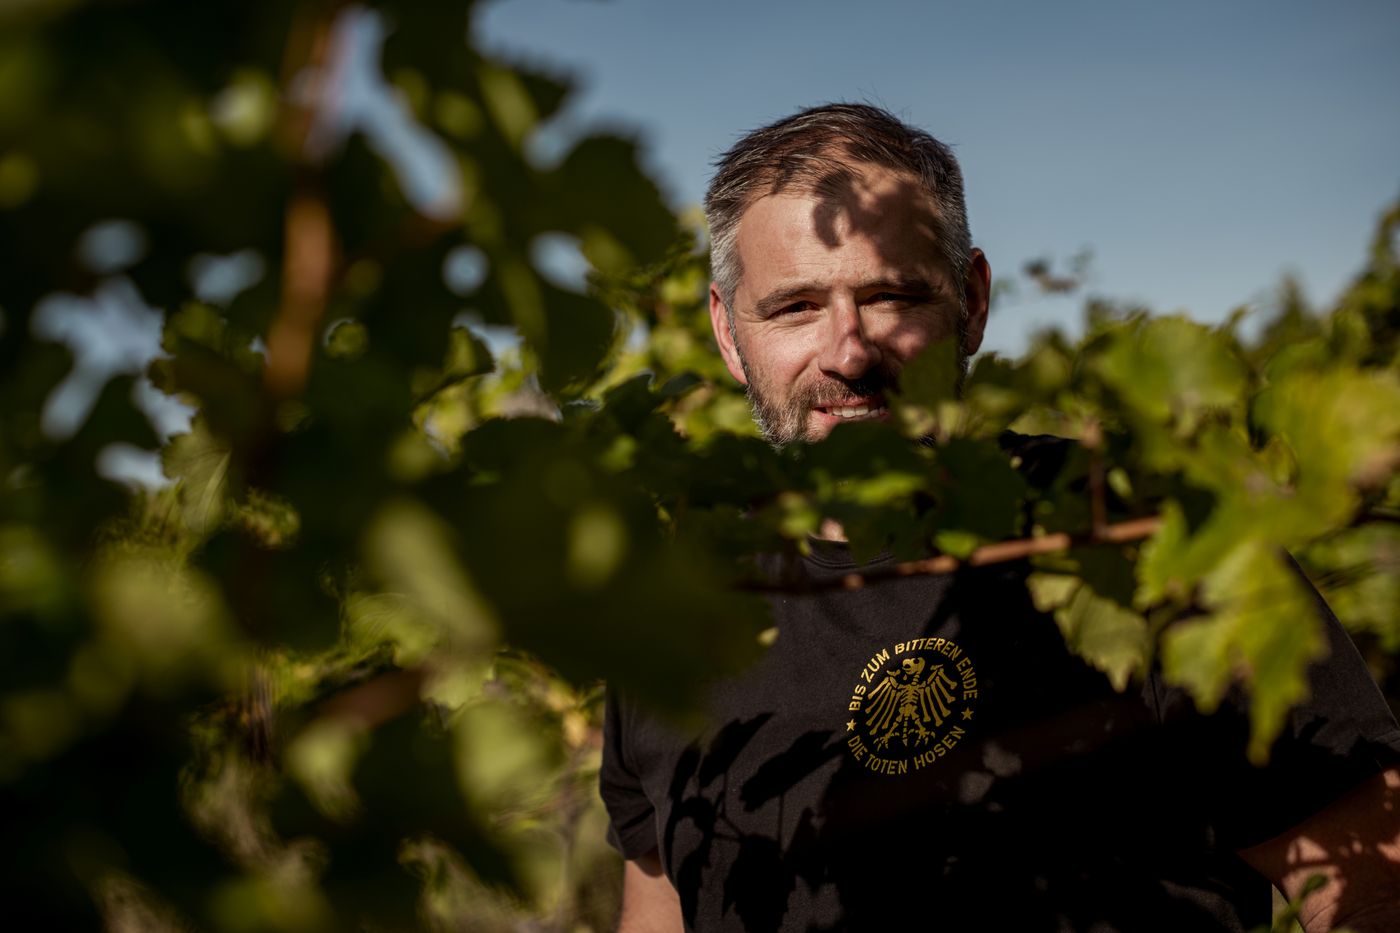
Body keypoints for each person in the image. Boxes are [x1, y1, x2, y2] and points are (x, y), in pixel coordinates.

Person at [599, 103, 1400, 932]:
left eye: (892, 295)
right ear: (728, 332)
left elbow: (1377, 888)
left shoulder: (1138, 538)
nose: (849, 351)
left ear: (973, 301)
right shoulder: (669, 609)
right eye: (795, 306)